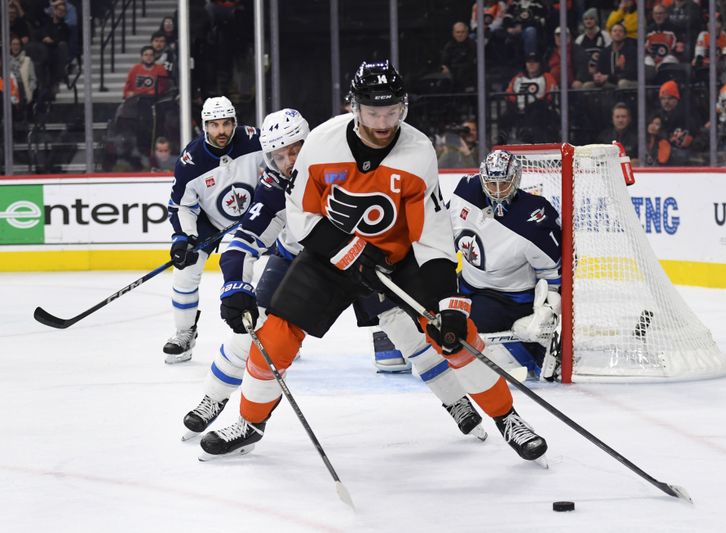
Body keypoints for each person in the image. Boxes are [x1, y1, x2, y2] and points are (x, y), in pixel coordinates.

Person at [198, 60, 548, 463]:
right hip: (330, 258)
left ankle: (508, 418)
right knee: (275, 334)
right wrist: (349, 252)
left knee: (456, 334)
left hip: (397, 260)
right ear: (354, 108)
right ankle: (249, 422)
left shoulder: (418, 151)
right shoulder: (322, 143)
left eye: (391, 112)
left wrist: (449, 303)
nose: (383, 123)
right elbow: (301, 214)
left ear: (403, 108)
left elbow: (431, 234)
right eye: (373, 112)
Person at [183, 108, 489, 443]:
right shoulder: (273, 187)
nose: (288, 161)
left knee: (405, 330)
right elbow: (242, 242)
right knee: (250, 328)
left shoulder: (338, 161)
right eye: (278, 155)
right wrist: (234, 285)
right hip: (300, 262)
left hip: (364, 259)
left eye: (295, 150)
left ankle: (456, 400)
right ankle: (217, 400)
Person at [163, 96, 264, 364]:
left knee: (280, 265)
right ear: (205, 126)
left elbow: (284, 164)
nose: (221, 131)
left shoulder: (255, 140)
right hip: (211, 220)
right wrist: (183, 237)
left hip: (259, 215)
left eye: (227, 124)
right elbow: (181, 206)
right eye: (214, 125)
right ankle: (184, 333)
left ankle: (278, 330)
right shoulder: (191, 160)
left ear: (235, 123)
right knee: (185, 270)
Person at [449, 150, 563, 382]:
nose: (498, 190)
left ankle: (533, 352)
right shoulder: (465, 192)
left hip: (509, 299)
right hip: (467, 285)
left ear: (517, 179)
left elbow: (553, 273)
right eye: (492, 183)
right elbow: (445, 232)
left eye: (504, 182)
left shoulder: (535, 215)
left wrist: (547, 310)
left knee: (463, 325)